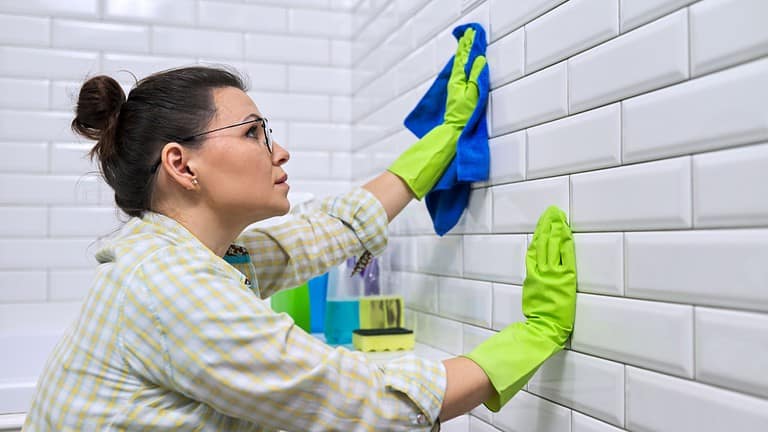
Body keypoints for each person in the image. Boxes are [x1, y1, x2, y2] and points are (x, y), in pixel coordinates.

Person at [23, 29, 576, 431]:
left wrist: (440, 142)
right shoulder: (172, 288)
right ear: (182, 164)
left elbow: (321, 232)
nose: (278, 150)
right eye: (254, 132)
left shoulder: (195, 255)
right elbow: (365, 400)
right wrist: (533, 336)